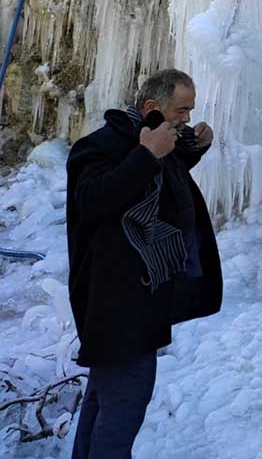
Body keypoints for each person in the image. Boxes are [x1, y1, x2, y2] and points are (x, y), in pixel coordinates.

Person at [66, 69, 223, 458]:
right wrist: (148, 153)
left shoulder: (149, 145)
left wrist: (191, 150)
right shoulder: (99, 147)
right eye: (181, 109)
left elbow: (148, 189)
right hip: (115, 304)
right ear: (152, 107)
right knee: (125, 404)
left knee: (104, 400)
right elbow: (95, 201)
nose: (187, 117)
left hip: (138, 299)